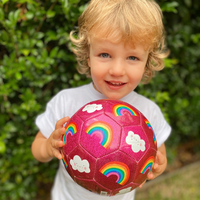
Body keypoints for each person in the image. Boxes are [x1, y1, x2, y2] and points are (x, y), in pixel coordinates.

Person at [31, 0, 171, 199]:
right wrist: (47, 146)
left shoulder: (148, 112)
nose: (117, 70)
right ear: (88, 56)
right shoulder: (66, 101)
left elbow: (160, 158)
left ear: (147, 63)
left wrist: (157, 166)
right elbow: (37, 148)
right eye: (105, 54)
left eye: (132, 58)